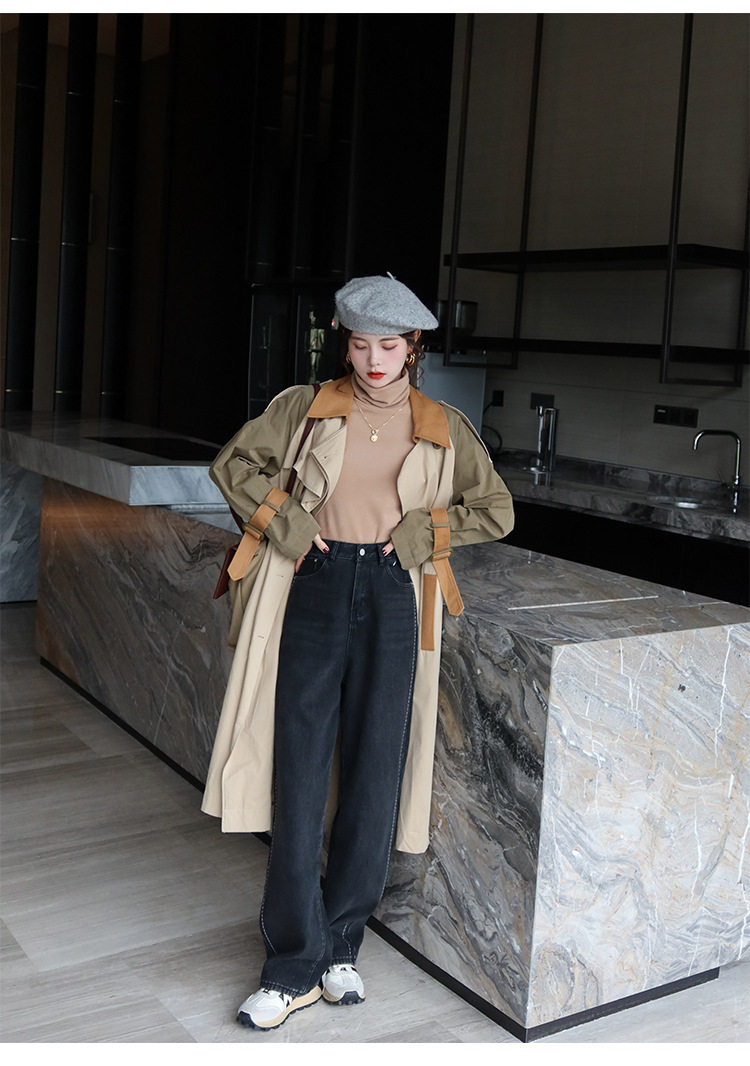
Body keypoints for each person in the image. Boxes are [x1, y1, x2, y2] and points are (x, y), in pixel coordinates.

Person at [201, 273, 514, 1032]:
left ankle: (342, 945)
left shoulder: (443, 426)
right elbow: (233, 466)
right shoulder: (304, 408)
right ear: (345, 343)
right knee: (300, 774)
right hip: (314, 584)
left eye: (390, 346)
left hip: (394, 593)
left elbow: (496, 508)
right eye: (362, 344)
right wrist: (288, 524)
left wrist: (425, 533)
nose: (374, 360)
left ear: (413, 348)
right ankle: (291, 965)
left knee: (376, 773)